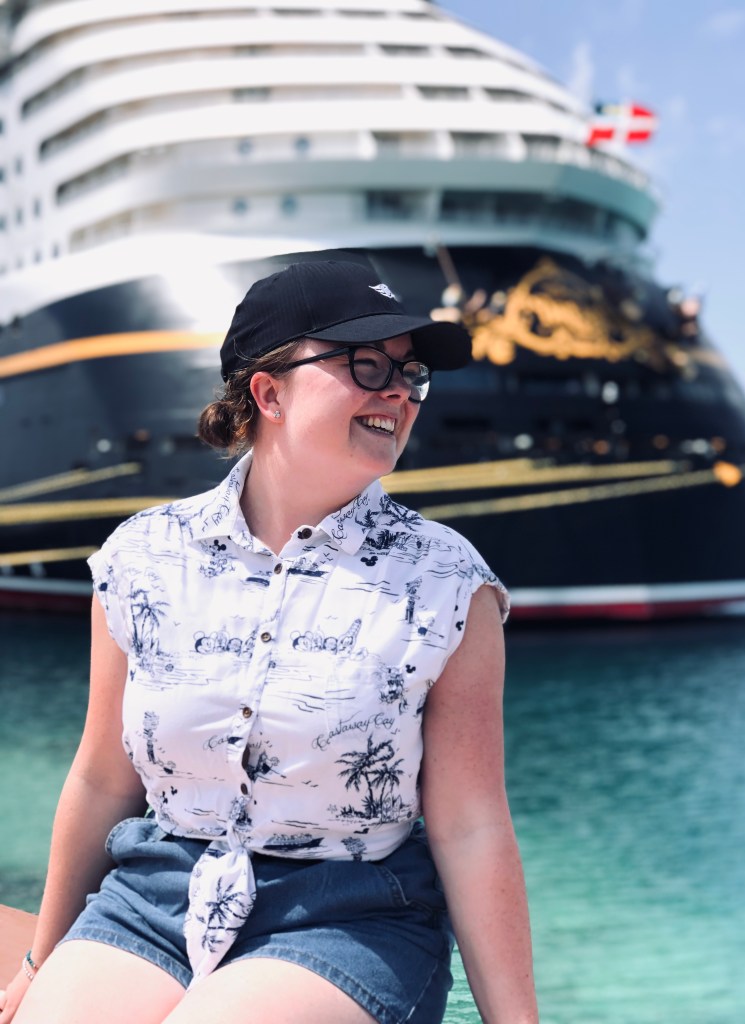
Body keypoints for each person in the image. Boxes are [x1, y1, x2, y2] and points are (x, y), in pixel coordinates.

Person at [0, 258, 538, 1024]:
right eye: (366, 363)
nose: (398, 390)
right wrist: (38, 962)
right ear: (268, 390)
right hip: (152, 893)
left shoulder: (450, 582)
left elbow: (471, 823)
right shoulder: (141, 557)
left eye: (410, 373)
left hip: (349, 914)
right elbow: (101, 780)